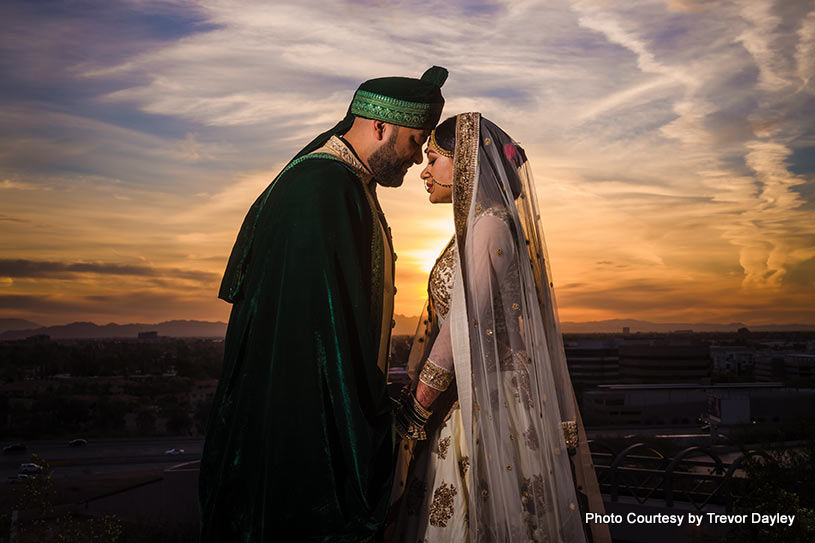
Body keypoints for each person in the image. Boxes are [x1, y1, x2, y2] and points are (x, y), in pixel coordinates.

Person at [199, 66, 449, 542]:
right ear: (380, 126)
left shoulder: (343, 183)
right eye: (415, 141)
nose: (417, 158)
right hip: (302, 428)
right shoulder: (321, 189)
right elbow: (316, 335)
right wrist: (360, 436)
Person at [389, 113, 611, 542]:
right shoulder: (475, 228)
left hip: (492, 398)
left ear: (467, 163)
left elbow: (464, 322)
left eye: (434, 159)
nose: (424, 170)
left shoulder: (490, 226)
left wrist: (418, 402)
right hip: (470, 393)